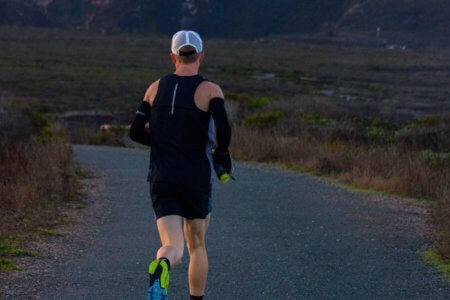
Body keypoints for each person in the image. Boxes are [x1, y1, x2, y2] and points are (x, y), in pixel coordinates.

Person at [129, 30, 232, 300]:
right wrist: (221, 154)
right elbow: (224, 131)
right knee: (196, 244)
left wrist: (163, 143)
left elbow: (135, 132)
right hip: (196, 177)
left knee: (171, 245)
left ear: (173, 56)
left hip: (162, 176)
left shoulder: (154, 88)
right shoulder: (210, 90)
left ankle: (162, 265)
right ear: (201, 55)